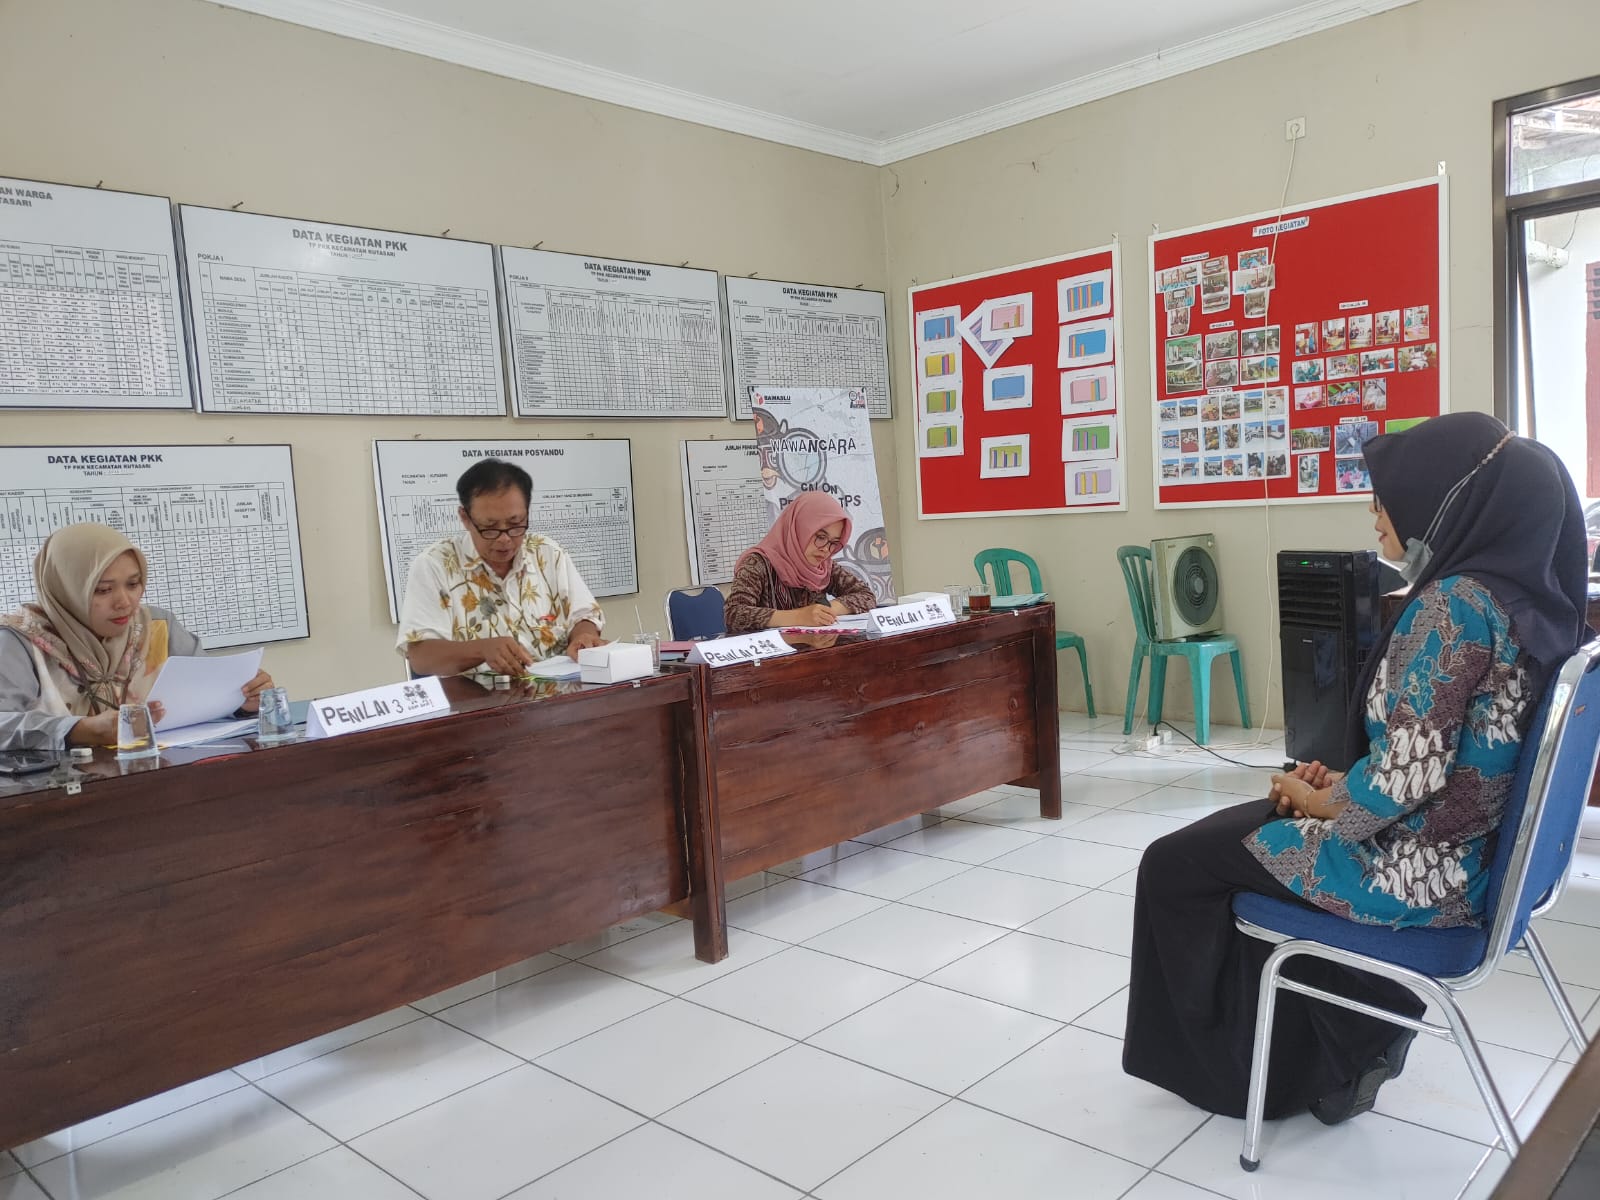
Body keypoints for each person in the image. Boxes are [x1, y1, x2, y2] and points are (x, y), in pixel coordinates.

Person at [1123, 412, 1587, 1125]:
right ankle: (1342, 1044)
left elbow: (1407, 783)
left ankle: (1279, 1071)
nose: (1375, 515)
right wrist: (1340, 784)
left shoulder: (1453, 608)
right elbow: (1442, 762)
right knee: (1234, 837)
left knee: (1176, 863)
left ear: (1444, 501)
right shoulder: (1529, 604)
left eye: (1389, 497)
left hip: (1414, 874)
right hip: (1472, 862)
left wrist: (1311, 801)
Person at [0, 523, 275, 753]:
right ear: (67, 590)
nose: (124, 602)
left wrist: (243, 701)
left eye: (133, 584)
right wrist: (79, 730)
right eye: (103, 590)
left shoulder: (155, 627)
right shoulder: (21, 642)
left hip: (164, 784)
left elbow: (207, 696)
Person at [399, 458, 605, 676]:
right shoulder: (435, 565)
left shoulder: (547, 552)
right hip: (477, 702)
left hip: (557, 697)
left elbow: (584, 615)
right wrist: (481, 650)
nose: (505, 539)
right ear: (465, 518)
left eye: (516, 525)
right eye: (490, 528)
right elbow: (421, 657)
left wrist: (584, 636)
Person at [723, 491, 875, 636]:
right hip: (768, 658)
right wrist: (799, 617)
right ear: (799, 529)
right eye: (820, 537)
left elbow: (866, 596)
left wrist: (826, 610)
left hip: (811, 653)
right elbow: (734, 614)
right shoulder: (757, 563)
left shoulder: (823, 566)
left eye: (833, 543)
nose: (826, 550)